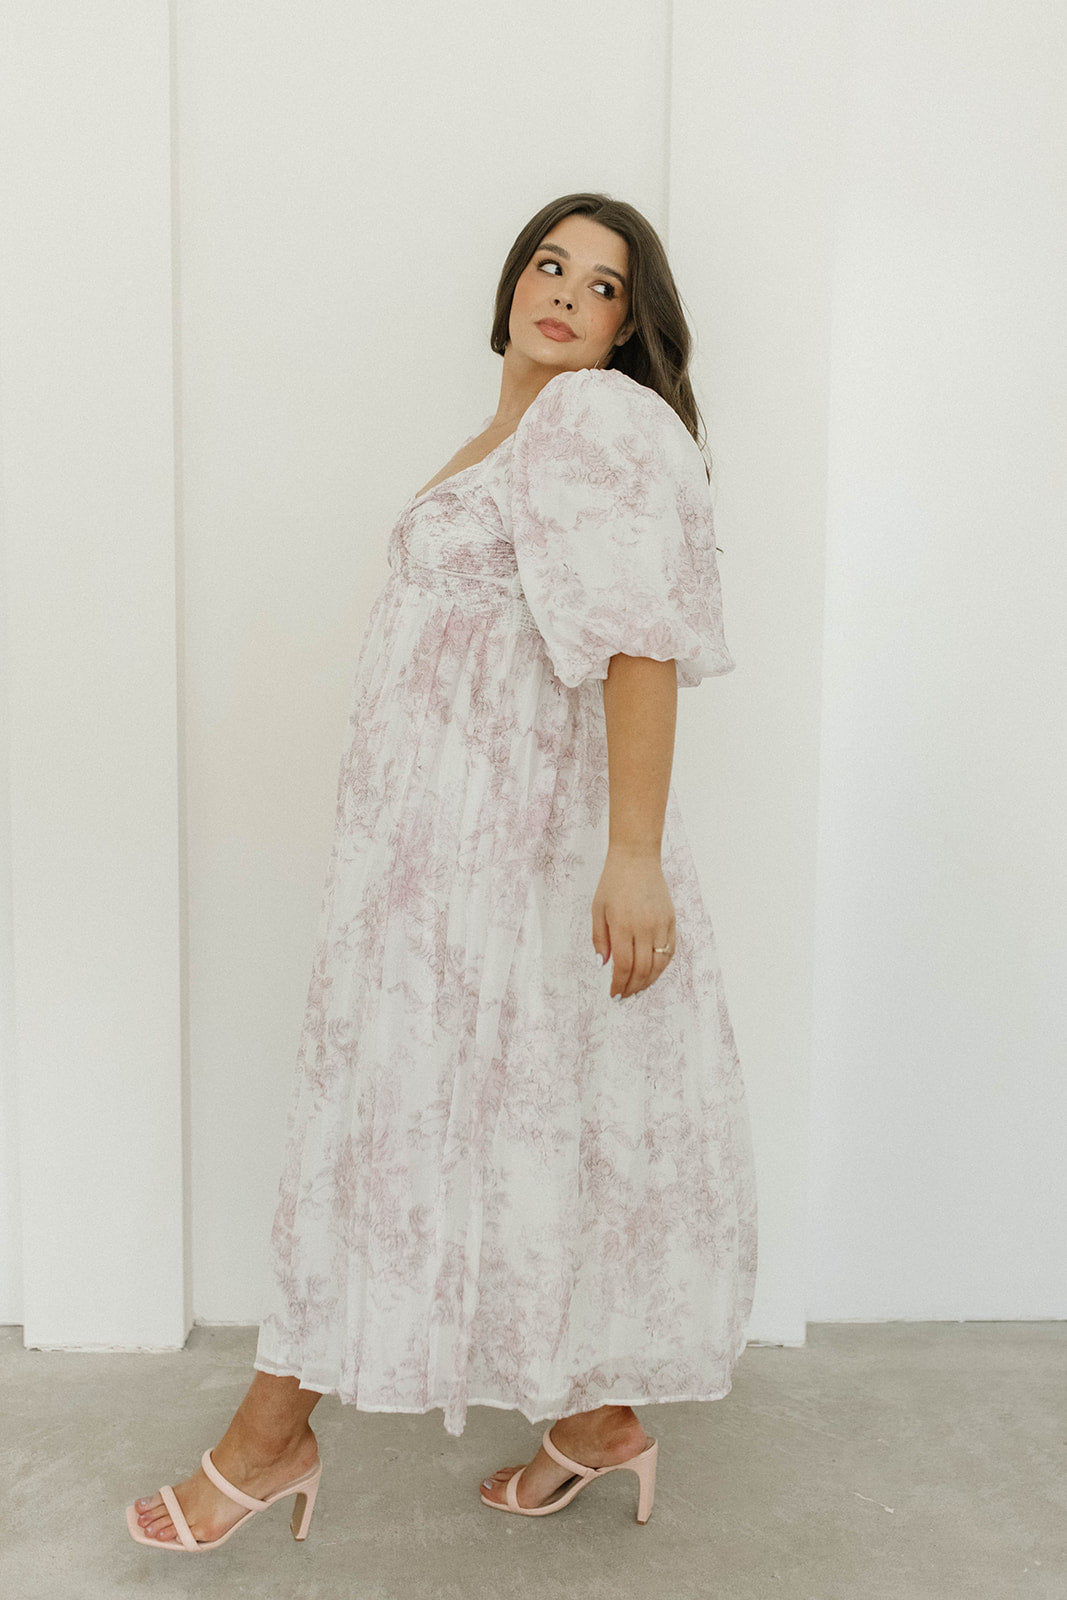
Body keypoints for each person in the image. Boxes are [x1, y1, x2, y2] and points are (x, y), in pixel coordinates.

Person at [127, 191, 757, 1550]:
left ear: (628, 329)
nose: (568, 294)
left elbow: (638, 642)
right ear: (511, 285)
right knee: (491, 1126)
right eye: (551, 265)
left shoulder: (591, 423)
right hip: (431, 864)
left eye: (603, 286)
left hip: (500, 864)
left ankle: (270, 1438)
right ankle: (598, 1424)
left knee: (391, 1126)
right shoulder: (508, 435)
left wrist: (633, 856)